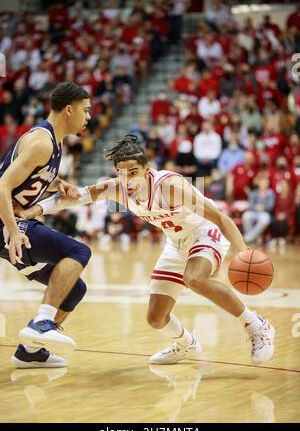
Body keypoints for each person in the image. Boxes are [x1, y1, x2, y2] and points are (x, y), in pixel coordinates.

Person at [20, 135, 275, 365]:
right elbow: (74, 197)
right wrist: (35, 210)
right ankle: (186, 344)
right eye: (121, 173)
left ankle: (256, 326)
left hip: (204, 232)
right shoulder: (117, 189)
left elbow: (220, 217)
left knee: (195, 278)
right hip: (175, 243)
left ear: (147, 170)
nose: (127, 179)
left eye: (133, 172)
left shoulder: (171, 187)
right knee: (155, 318)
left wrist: (242, 252)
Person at [0, 82, 92, 368]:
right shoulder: (42, 141)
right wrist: (13, 231)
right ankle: (42, 322)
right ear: (68, 110)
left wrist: (59, 183)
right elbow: (2, 184)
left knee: (74, 289)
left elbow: (35, 175)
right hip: (4, 224)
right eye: (85, 110)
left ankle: (30, 350)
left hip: (9, 223)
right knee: (78, 252)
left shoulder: (56, 141)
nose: (88, 117)